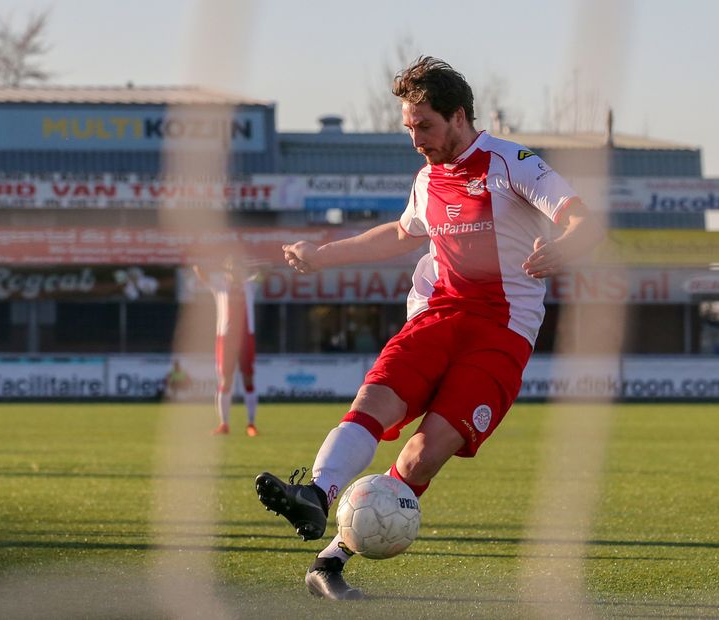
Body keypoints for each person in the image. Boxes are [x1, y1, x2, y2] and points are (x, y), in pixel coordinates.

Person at [254, 56, 604, 600]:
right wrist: (321, 256)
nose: (417, 139)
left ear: (458, 116)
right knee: (375, 401)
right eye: (409, 127)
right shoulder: (428, 178)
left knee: (424, 452)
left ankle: (331, 561)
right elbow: (400, 233)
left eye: (426, 126)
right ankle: (317, 496)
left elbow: (580, 217)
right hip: (438, 315)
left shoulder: (513, 163)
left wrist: (567, 245)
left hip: (501, 332)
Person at [193, 256, 262, 436]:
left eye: (237, 268)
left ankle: (251, 424)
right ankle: (224, 424)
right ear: (226, 270)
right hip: (225, 338)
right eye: (231, 268)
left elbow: (267, 271)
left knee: (248, 378)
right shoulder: (220, 286)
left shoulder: (250, 285)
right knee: (225, 380)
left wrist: (251, 266)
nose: (235, 271)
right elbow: (198, 269)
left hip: (247, 337)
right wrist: (215, 265)